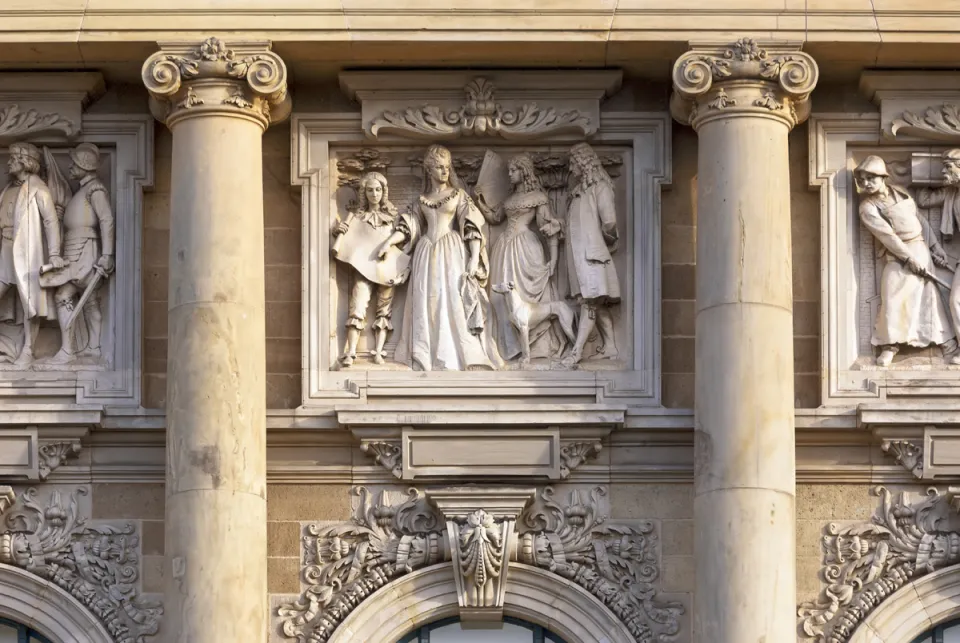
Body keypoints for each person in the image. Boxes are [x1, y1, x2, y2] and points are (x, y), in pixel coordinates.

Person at [393, 144, 502, 371]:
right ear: (429, 170)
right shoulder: (422, 199)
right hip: (425, 251)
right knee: (426, 299)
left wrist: (473, 258)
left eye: (446, 167)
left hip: (451, 251)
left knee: (451, 298)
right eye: (439, 167)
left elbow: (471, 224)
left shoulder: (458, 195)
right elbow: (410, 225)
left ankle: (453, 355)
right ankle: (425, 354)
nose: (444, 171)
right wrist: (388, 244)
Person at [855, 155, 957, 366]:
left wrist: (935, 247)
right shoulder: (867, 207)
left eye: (870, 177)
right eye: (862, 179)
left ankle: (948, 343)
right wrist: (908, 259)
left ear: (883, 177)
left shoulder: (900, 192)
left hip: (921, 248)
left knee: (929, 299)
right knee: (892, 298)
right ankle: (889, 346)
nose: (866, 183)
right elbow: (887, 237)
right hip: (898, 256)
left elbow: (919, 219)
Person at [475, 153, 564, 364]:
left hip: (526, 248)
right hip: (503, 248)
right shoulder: (510, 198)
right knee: (499, 297)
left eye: (513, 170)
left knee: (527, 299)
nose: (510, 174)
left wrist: (554, 258)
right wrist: (479, 201)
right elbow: (496, 218)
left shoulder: (538, 197)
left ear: (524, 172)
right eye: (509, 170)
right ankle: (507, 348)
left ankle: (535, 348)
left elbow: (548, 228)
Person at [42, 143, 115, 363]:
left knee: (64, 295)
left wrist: (107, 254)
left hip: (86, 250)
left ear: (85, 165)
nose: (71, 166)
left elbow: (106, 219)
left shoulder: (95, 189)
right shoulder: (83, 189)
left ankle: (67, 350)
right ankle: (93, 346)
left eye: (75, 163)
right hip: (75, 248)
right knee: (90, 299)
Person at [331, 171, 407, 366]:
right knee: (357, 307)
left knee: (384, 310)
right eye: (371, 190)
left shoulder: (392, 216)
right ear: (365, 193)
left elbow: (404, 238)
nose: (375, 194)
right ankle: (351, 352)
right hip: (363, 268)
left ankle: (379, 352)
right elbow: (347, 240)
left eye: (378, 190)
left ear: (384, 192)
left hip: (386, 268)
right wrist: (337, 231)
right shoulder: (357, 217)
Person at [0, 142, 62, 365]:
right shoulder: (8, 189)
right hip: (5, 250)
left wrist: (54, 254)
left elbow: (51, 221)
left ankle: (28, 350)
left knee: (30, 301)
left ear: (24, 161)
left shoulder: (38, 188)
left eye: (13, 158)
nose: (8, 162)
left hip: (28, 252)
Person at [560, 142, 620, 367]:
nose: (571, 168)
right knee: (597, 302)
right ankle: (611, 346)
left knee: (589, 303)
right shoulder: (579, 193)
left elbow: (610, 221)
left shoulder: (600, 187)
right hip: (579, 256)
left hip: (591, 256)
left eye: (574, 163)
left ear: (583, 163)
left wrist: (607, 239)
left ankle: (576, 353)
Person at [917, 148, 960, 357]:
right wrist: (923, 175)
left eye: (948, 167)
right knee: (956, 301)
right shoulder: (951, 192)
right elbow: (923, 200)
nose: (944, 172)